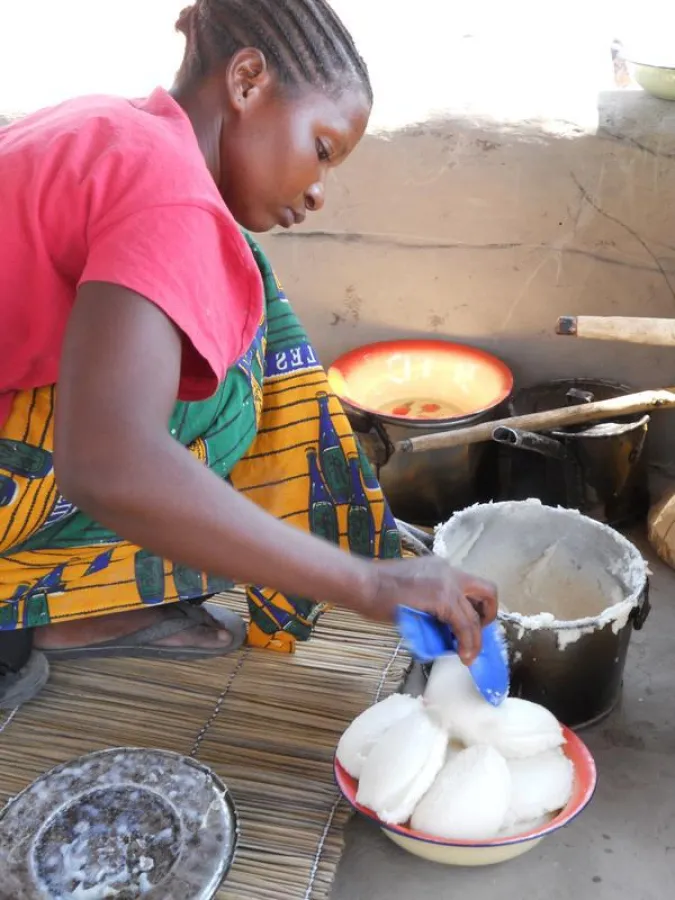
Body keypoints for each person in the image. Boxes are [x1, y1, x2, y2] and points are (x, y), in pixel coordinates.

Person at [0, 0, 498, 709]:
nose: (320, 191)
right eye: (322, 149)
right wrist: (368, 583)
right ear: (246, 80)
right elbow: (109, 464)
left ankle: (73, 608)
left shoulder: (118, 127)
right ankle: (26, 603)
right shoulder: (166, 197)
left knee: (236, 292)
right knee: (228, 387)